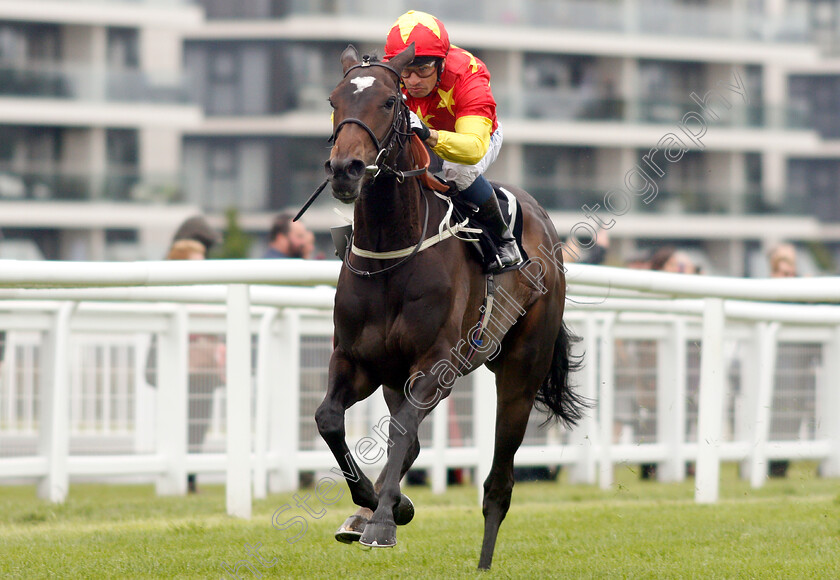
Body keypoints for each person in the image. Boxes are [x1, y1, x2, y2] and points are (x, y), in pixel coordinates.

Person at [384, 10, 522, 272]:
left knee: (456, 169)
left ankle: (504, 238)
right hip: (419, 138)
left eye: (422, 70)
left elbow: (472, 148)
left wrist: (428, 134)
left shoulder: (468, 75)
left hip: (477, 139)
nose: (412, 81)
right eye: (406, 71)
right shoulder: (389, 73)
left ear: (441, 63)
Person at [147, 238, 225, 493]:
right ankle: (178, 478)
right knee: (180, 426)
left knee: (199, 427)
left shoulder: (205, 293)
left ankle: (190, 478)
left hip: (204, 371)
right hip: (180, 369)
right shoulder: (170, 293)